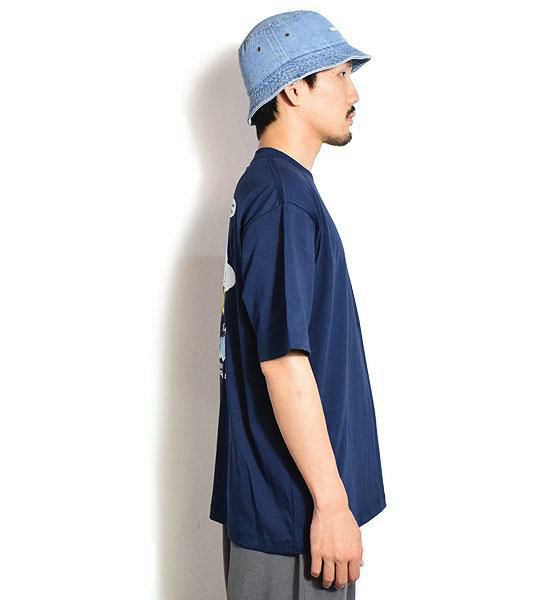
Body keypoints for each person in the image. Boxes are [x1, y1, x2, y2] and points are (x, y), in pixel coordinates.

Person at [209, 10, 386, 599]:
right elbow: (284, 364)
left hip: (284, 507)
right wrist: (331, 504)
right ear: (292, 89)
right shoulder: (282, 198)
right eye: (340, 75)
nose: (354, 93)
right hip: (295, 519)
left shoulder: (274, 191)